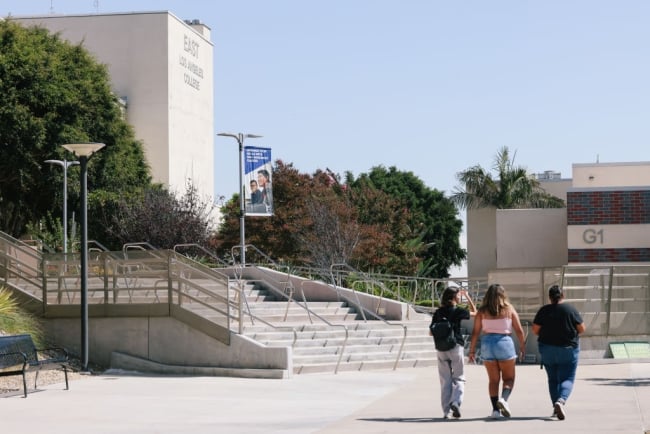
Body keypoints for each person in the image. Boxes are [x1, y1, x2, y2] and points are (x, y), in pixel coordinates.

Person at [468, 283, 526, 419]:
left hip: (487, 344)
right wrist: (522, 346)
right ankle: (504, 400)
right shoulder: (509, 309)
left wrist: (471, 351)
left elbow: (475, 332)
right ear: (503, 295)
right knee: (509, 378)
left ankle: (495, 411)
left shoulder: (482, 311)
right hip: (504, 343)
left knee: (493, 380)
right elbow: (519, 330)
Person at [532, 285, 586, 421]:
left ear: (549, 297)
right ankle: (560, 401)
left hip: (547, 349)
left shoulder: (544, 310)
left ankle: (555, 408)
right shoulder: (570, 309)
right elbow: (582, 329)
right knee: (567, 378)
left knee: (553, 379)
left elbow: (535, 330)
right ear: (563, 295)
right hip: (568, 349)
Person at [429, 287, 471, 419]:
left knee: (445, 380)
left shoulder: (438, 312)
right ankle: (456, 402)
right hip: (455, 346)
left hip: (441, 348)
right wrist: (468, 297)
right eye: (458, 295)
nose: (460, 297)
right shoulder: (458, 311)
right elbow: (475, 312)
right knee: (459, 377)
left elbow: (431, 331)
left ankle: (446, 412)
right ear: (454, 297)